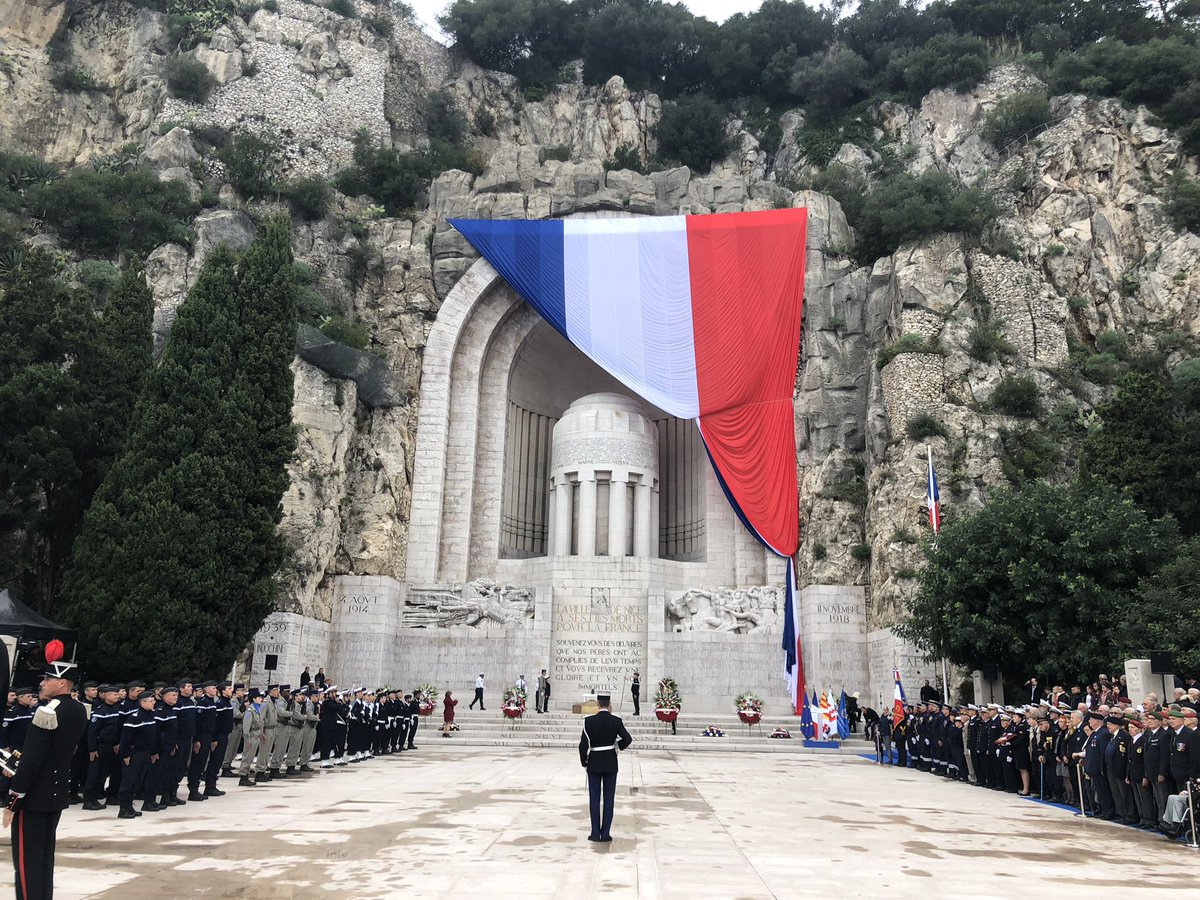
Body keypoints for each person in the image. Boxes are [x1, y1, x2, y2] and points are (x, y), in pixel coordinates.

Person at [5, 655, 88, 900]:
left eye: (48, 678)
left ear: (62, 683)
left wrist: (15, 797)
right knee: (43, 856)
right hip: (56, 790)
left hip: (34, 795)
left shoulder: (47, 711)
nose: (42, 683)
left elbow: (32, 759)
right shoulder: (78, 709)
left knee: (27, 860)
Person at [578, 693, 632, 843]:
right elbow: (627, 739)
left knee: (594, 798)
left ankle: (595, 833)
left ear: (597, 704)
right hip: (610, 762)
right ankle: (606, 833)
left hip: (594, 763)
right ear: (609, 705)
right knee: (609, 799)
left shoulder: (588, 721)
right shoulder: (616, 720)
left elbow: (582, 746)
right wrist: (616, 746)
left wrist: (584, 762)